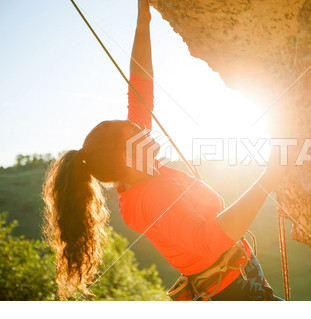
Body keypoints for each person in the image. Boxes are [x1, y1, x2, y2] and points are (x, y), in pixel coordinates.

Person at [43, 0, 284, 301]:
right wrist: (269, 177)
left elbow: (140, 87)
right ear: (126, 155)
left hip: (237, 283)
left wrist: (143, 22)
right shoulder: (149, 199)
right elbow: (210, 240)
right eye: (136, 130)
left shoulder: (139, 170)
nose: (144, 128)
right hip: (233, 294)